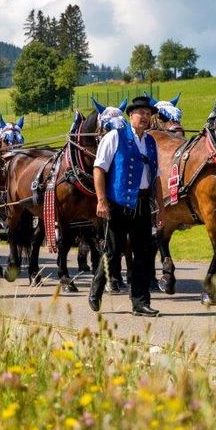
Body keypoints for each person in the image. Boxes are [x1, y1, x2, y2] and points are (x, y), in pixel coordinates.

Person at [88, 96, 160, 317]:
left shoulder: (151, 142)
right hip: (118, 204)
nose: (145, 118)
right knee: (112, 251)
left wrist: (160, 209)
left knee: (143, 254)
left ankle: (140, 302)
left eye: (148, 114)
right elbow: (99, 169)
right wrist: (101, 200)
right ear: (131, 116)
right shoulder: (114, 137)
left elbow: (155, 177)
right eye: (141, 113)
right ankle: (96, 290)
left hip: (142, 203)